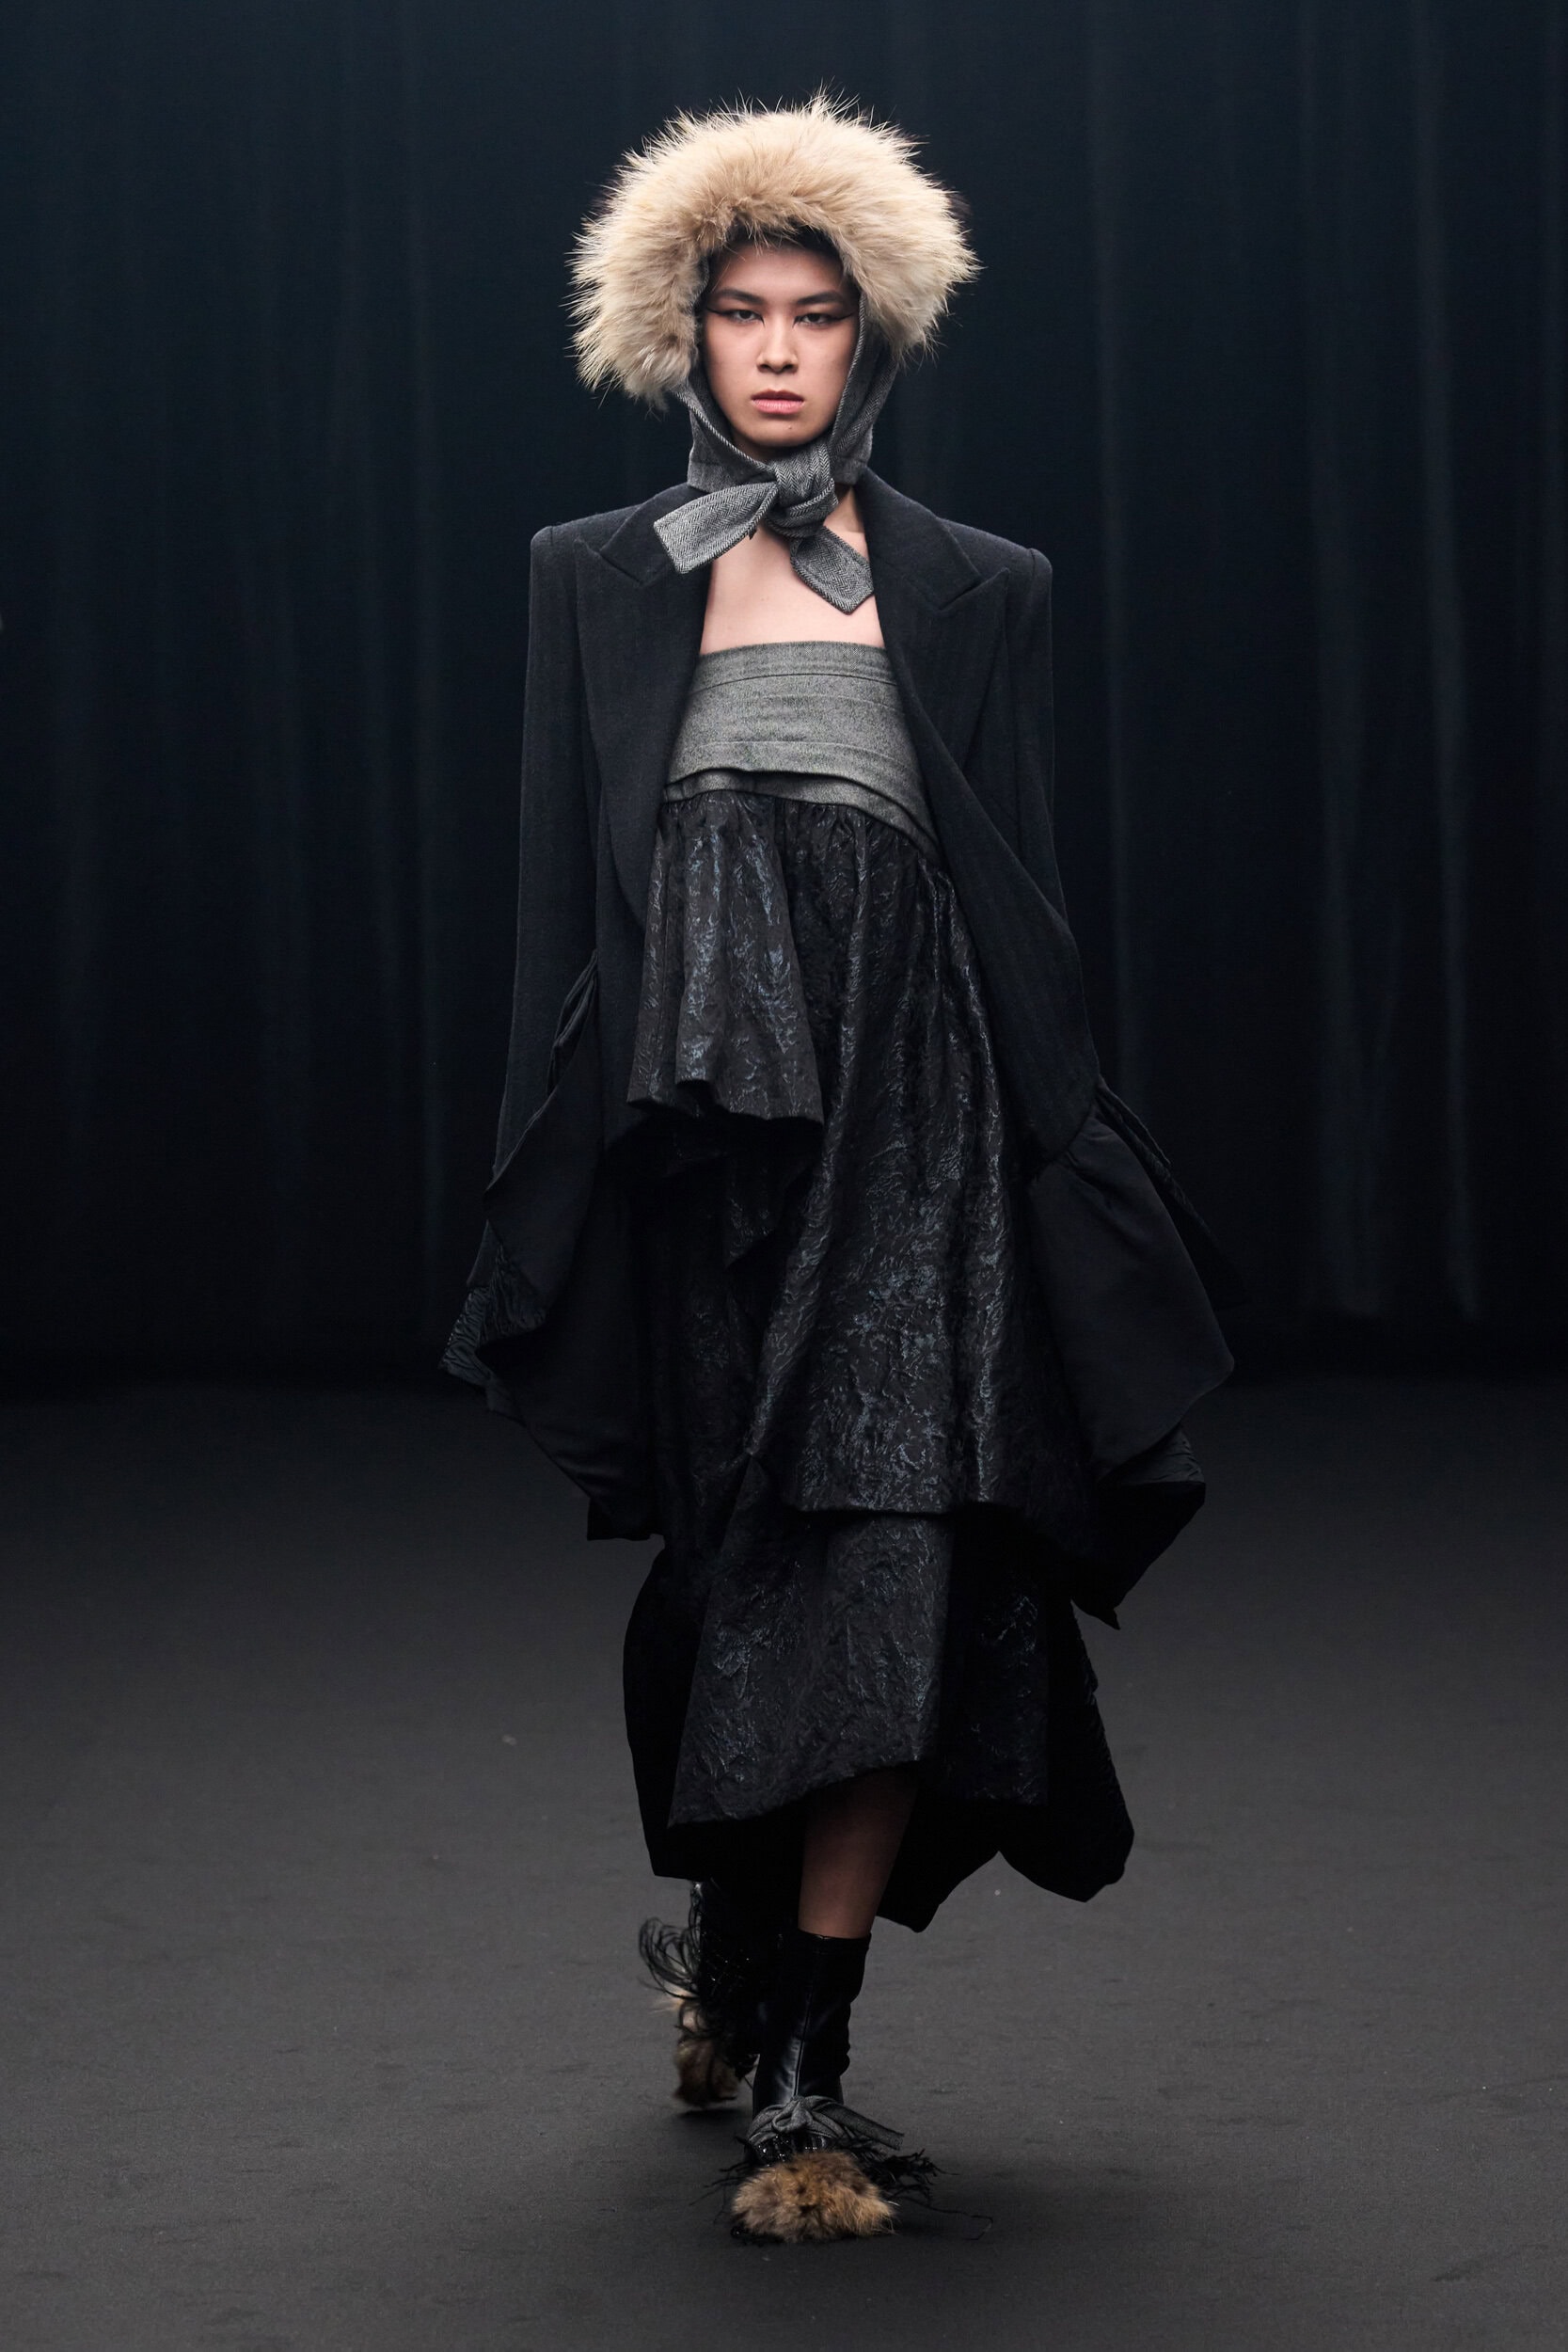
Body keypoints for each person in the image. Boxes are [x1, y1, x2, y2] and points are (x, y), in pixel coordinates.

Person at [445, 97, 1239, 2243]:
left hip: (922, 1129)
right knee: (739, 1580)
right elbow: (560, 913)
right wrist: (551, 1182)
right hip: (704, 1150)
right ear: (681, 332)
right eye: (743, 313)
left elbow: (1019, 900)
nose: (780, 350)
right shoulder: (593, 576)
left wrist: (1071, 1175)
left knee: (902, 1551)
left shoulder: (981, 588)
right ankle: (731, 1957)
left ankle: (806, 2070)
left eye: (817, 315)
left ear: (872, 336)